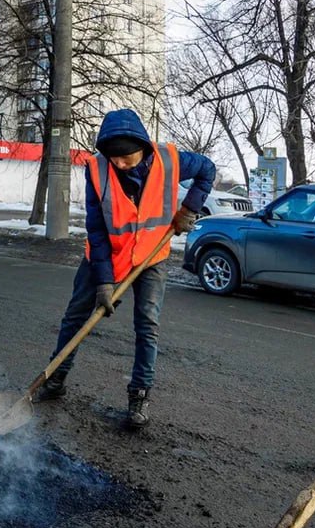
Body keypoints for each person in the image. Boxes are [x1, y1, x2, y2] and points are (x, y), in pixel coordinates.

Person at [35, 108, 216, 429]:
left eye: (126, 158)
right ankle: (54, 380)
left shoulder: (170, 161)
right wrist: (105, 282)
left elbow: (207, 169)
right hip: (105, 256)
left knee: (147, 326)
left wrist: (189, 209)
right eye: (114, 158)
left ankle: (139, 398)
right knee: (76, 317)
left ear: (142, 146)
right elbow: (97, 229)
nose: (120, 164)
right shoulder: (97, 169)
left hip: (151, 257)